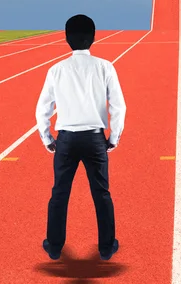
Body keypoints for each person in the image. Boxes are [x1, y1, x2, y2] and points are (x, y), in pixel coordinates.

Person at [35, 14, 126, 262]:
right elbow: (118, 106)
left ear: (66, 39)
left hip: (65, 139)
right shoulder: (105, 66)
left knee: (59, 193)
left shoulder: (56, 70)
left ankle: (54, 246)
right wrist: (113, 137)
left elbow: (43, 108)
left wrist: (47, 138)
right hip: (95, 139)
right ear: (93, 38)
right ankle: (106, 247)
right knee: (101, 193)